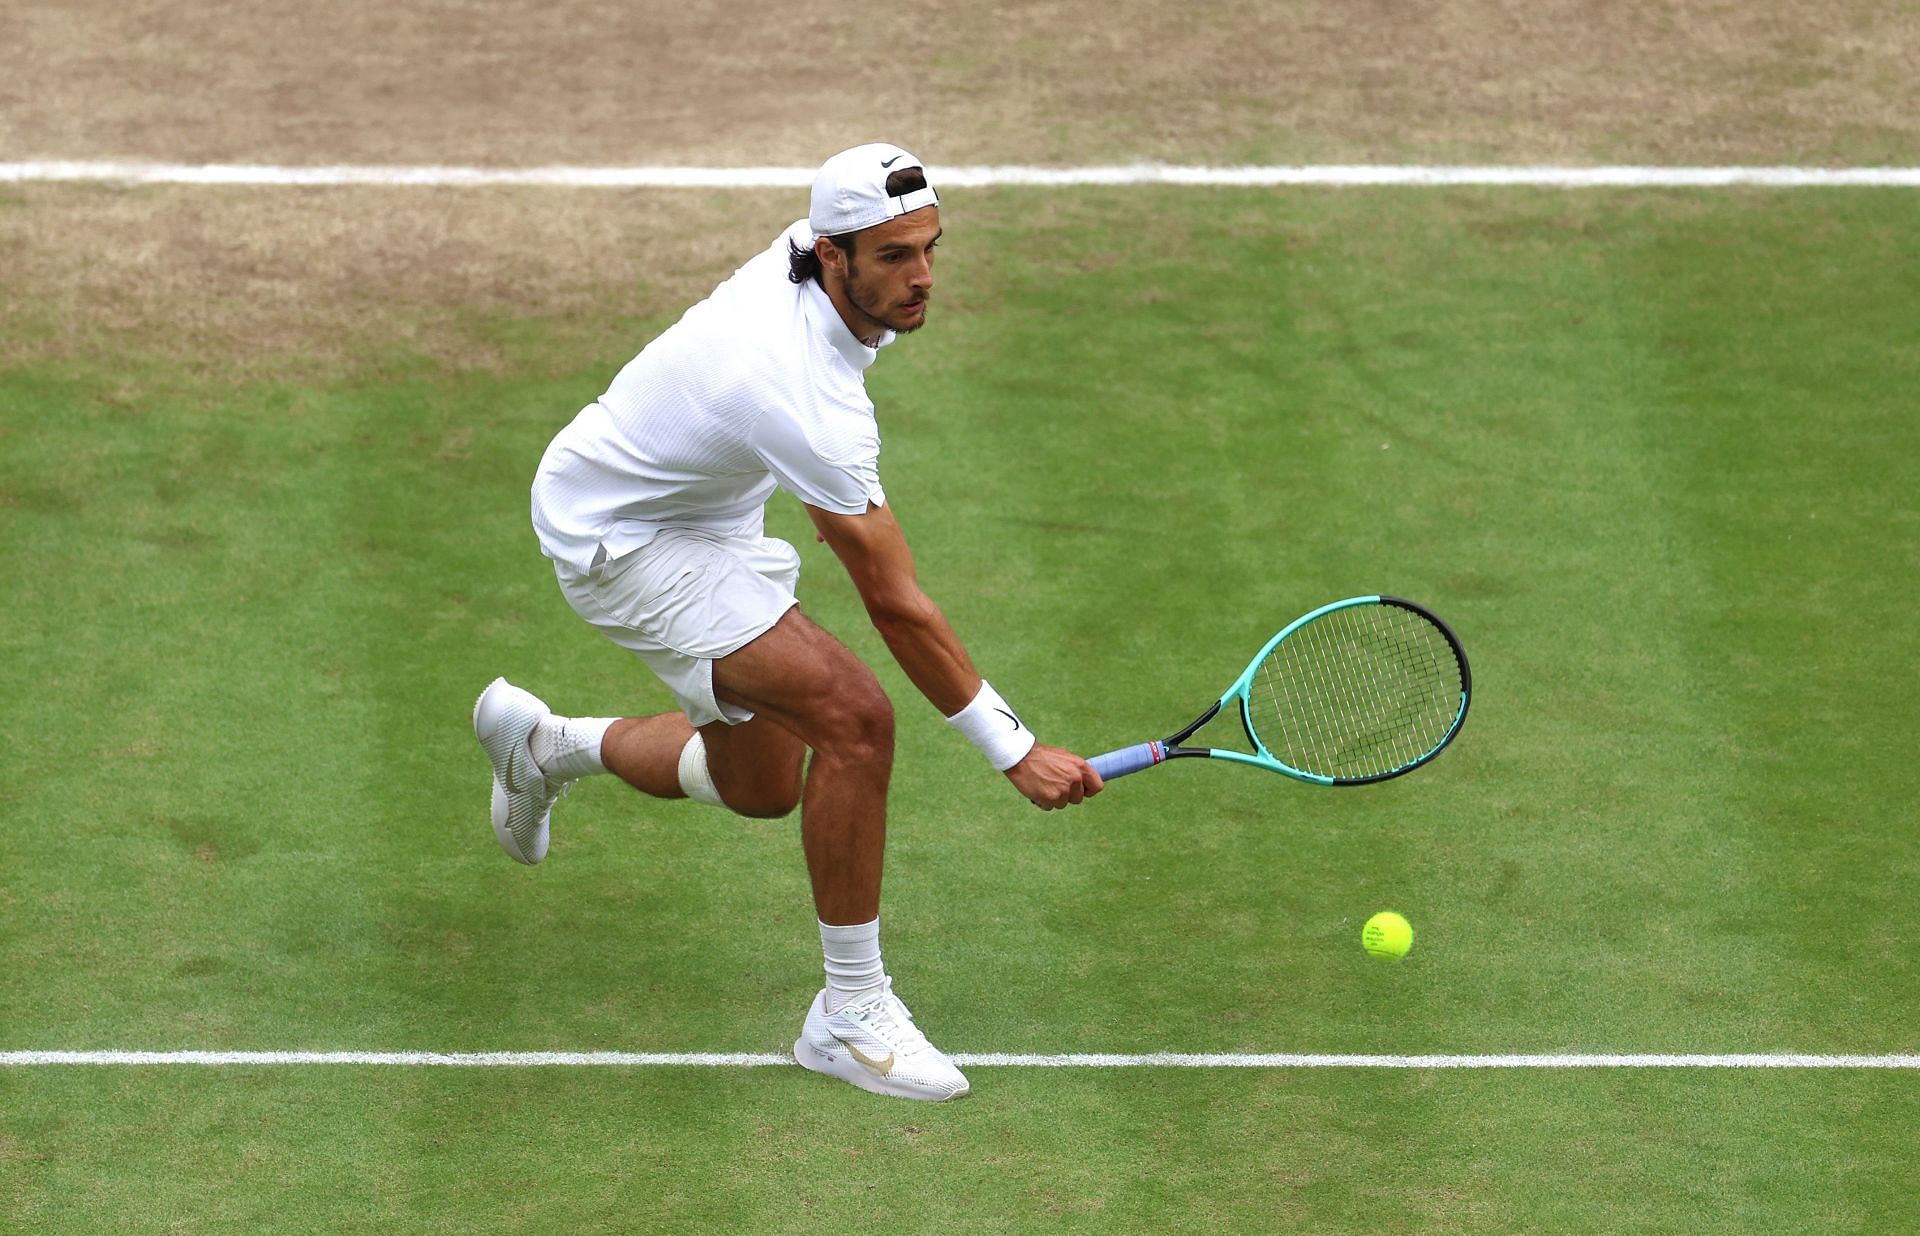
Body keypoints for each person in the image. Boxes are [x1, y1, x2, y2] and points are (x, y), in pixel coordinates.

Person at [473, 143, 1103, 1102]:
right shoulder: (794, 388)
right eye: (893, 258)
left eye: (930, 249)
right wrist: (1009, 747)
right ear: (833, 253)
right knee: (856, 718)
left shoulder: (816, 258)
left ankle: (547, 747)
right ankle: (849, 1016)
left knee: (762, 784)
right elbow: (893, 600)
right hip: (620, 536)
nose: (922, 277)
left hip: (704, 507)